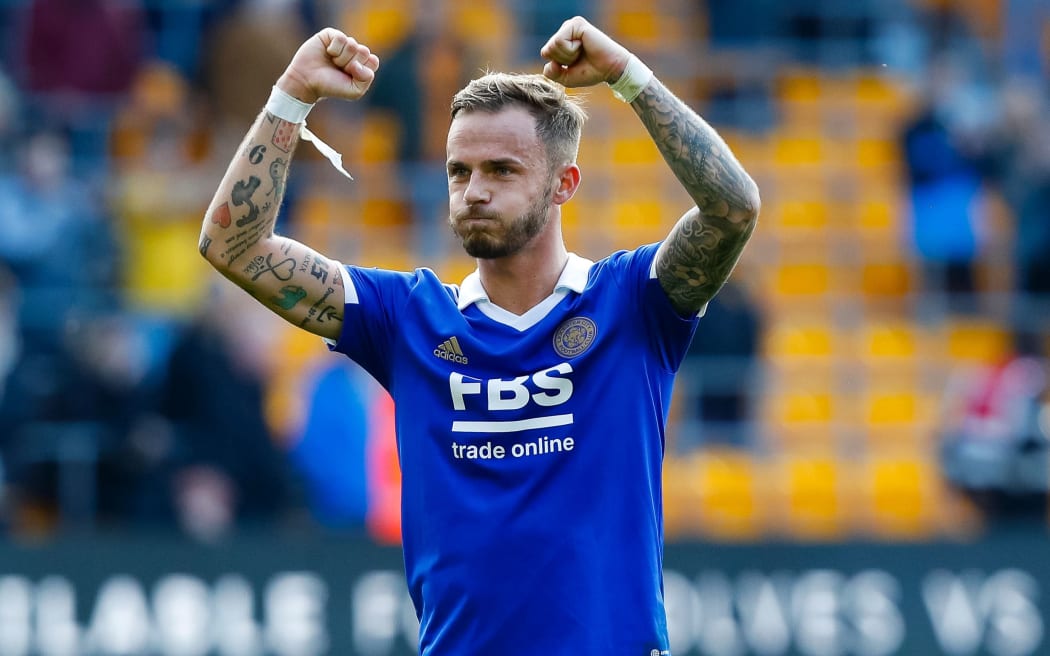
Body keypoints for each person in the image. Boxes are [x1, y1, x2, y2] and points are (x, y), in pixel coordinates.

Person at [198, 16, 759, 654]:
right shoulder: (406, 317)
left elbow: (732, 207)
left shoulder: (631, 302)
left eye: (501, 170)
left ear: (562, 185)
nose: (474, 192)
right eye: (459, 172)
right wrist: (292, 94)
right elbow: (233, 246)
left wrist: (631, 80)